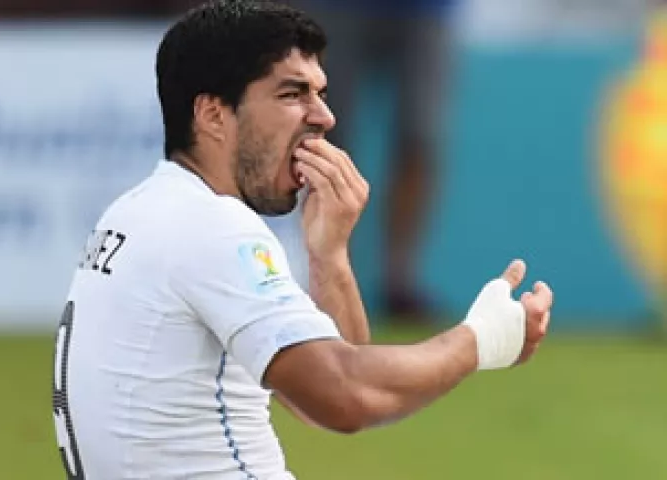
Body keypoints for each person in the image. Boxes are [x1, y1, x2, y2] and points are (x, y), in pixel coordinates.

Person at [50, 1, 553, 479]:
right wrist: (481, 339)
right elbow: (346, 395)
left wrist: (329, 256)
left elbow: (328, 384)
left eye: (321, 93)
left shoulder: (139, 212)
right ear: (213, 115)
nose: (324, 118)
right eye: (292, 95)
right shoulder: (212, 227)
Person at [293, 0, 458, 319]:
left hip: (426, 10)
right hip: (337, 9)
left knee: (419, 139)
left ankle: (400, 280)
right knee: (322, 139)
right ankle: (327, 276)